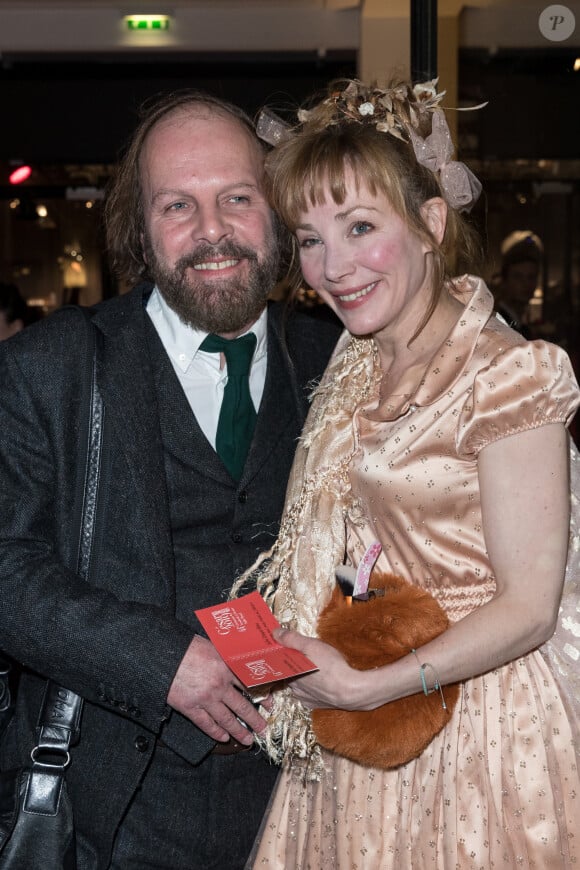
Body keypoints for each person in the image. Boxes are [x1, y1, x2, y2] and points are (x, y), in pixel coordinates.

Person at [235, 78, 580, 867]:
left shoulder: (506, 374)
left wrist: (370, 687)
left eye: (360, 227)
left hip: (482, 727)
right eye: (311, 238)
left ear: (430, 225)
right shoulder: (357, 366)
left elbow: (530, 606)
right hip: (371, 706)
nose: (332, 267)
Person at [0, 91, 340, 869]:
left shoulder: (338, 359)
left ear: (278, 213)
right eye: (177, 205)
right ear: (140, 231)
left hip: (308, 799)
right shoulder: (45, 370)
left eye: (236, 199)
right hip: (110, 805)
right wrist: (161, 663)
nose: (212, 231)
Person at [492, 230, 543, 337]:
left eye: (531, 277)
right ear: (504, 280)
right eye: (518, 277)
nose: (526, 284)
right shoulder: (498, 324)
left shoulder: (520, 326)